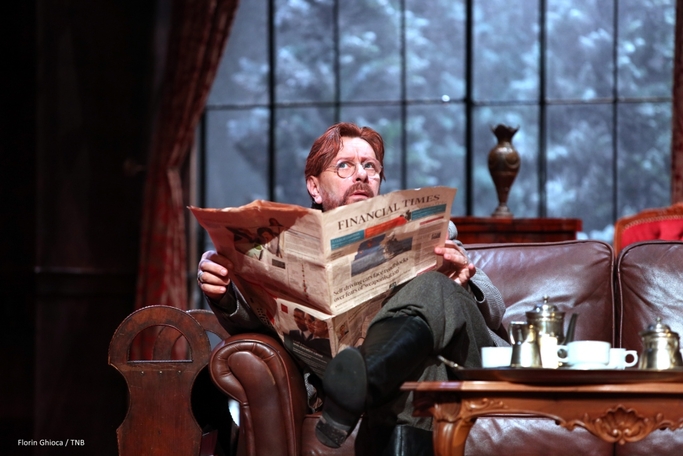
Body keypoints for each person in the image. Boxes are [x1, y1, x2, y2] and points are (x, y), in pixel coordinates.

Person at [197, 122, 508, 456]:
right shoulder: (286, 245)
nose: (361, 174)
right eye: (344, 165)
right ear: (314, 188)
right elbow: (264, 320)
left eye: (370, 166)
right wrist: (224, 294)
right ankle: (369, 375)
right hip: (402, 372)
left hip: (465, 360)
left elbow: (495, 311)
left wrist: (464, 278)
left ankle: (364, 376)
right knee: (417, 370)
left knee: (433, 284)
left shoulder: (426, 229)